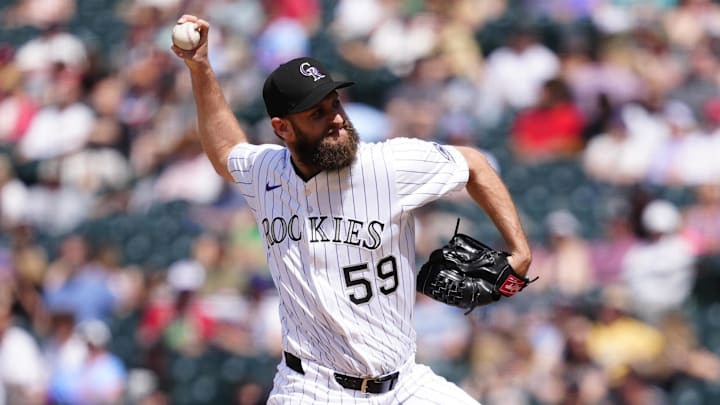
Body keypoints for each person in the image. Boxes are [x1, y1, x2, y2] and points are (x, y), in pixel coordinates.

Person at [172, 14, 532, 404]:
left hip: (405, 385)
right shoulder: (266, 174)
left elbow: (474, 165)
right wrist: (201, 67)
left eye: (334, 103)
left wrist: (520, 250)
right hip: (311, 389)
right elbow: (226, 151)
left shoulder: (386, 165)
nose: (337, 119)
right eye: (318, 113)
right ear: (283, 129)